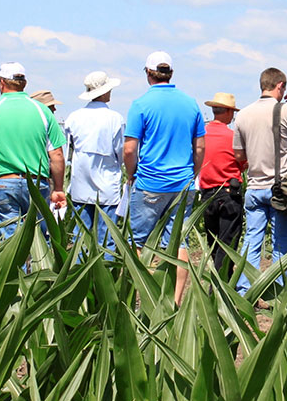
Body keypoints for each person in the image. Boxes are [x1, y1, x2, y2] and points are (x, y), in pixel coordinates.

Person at [125, 51, 207, 302]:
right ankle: (176, 300)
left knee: (139, 242)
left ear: (148, 73)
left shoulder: (140, 104)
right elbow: (201, 146)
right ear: (170, 73)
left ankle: (143, 298)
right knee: (178, 242)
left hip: (150, 182)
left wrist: (131, 174)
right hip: (182, 183)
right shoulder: (190, 103)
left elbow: (130, 148)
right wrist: (192, 173)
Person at [0, 62, 68, 239]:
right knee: (38, 240)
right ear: (24, 84)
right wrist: (58, 187)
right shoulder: (42, 111)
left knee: (11, 242)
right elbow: (57, 155)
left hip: (5, 182)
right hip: (37, 183)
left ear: (2, 83)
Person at [234, 67, 287, 294]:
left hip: (255, 185)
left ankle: (244, 290)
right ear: (280, 86)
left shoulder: (244, 114)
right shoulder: (285, 110)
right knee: (282, 242)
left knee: (252, 240)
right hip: (281, 189)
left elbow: (239, 155)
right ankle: (278, 292)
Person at [64, 71, 125, 254]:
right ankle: (106, 276)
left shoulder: (74, 117)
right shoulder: (115, 118)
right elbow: (121, 151)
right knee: (107, 239)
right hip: (107, 183)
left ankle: (77, 276)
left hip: (80, 184)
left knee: (80, 238)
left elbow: (67, 150)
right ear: (106, 92)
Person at [198, 92, 245, 274]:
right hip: (228, 194)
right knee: (227, 244)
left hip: (208, 195)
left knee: (214, 244)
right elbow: (243, 162)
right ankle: (219, 289)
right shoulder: (232, 136)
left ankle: (219, 282)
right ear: (227, 112)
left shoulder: (202, 135)